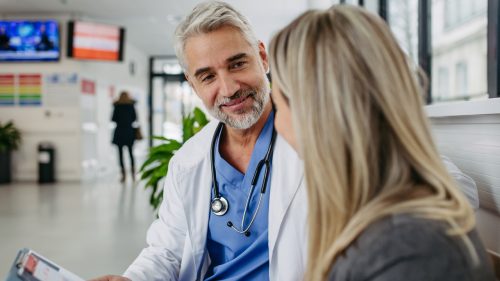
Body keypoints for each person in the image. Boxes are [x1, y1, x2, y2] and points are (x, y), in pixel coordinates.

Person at [92, 2, 479, 281]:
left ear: (262, 57)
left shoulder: (319, 132)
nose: (228, 88)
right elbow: (166, 250)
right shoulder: (189, 161)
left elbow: (449, 190)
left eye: (237, 63)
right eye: (207, 76)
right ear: (193, 85)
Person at [268, 5, 495, 281]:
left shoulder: (409, 252)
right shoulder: (380, 222)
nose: (277, 125)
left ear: (316, 118)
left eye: (278, 108)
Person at [111, 91, 137, 183]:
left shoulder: (117, 106)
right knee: (131, 154)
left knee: (120, 155)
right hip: (129, 132)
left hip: (119, 132)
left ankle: (123, 175)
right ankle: (133, 175)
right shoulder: (131, 106)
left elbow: (113, 119)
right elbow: (134, 118)